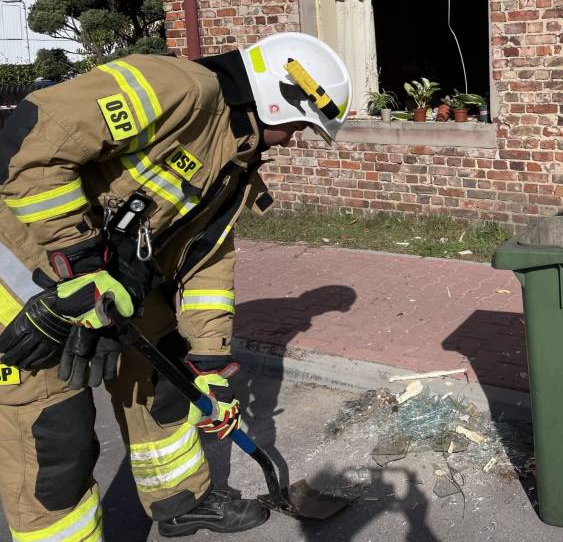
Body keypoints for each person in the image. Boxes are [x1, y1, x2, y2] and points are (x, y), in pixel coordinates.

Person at [0, 32, 352, 539]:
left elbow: (207, 262)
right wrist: (78, 260)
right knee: (56, 437)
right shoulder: (177, 87)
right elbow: (34, 137)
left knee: (165, 379)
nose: (294, 139)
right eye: (298, 126)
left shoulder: (235, 159)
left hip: (112, 279)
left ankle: (181, 502)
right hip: (25, 278)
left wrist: (208, 362)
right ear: (279, 97)